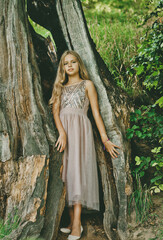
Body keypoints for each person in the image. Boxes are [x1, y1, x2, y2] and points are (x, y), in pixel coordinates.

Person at [49, 50, 120, 240]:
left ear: (79, 64)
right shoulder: (60, 87)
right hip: (65, 135)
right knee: (67, 175)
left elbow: (95, 113)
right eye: (66, 63)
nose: (70, 66)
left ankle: (77, 223)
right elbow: (56, 113)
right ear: (62, 67)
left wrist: (105, 139)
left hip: (81, 132)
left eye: (73, 62)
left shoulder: (87, 85)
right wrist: (62, 133)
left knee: (77, 174)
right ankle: (73, 222)